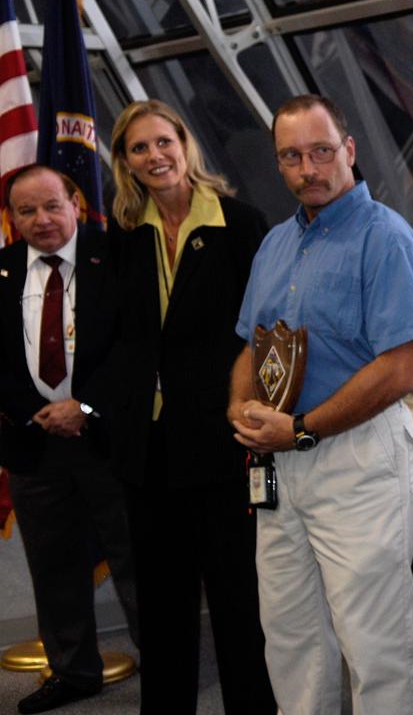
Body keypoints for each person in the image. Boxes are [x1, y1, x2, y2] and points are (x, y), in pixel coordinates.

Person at [229, 94, 413, 715]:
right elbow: (251, 342)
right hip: (279, 460)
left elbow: (404, 365)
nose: (308, 168)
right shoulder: (274, 244)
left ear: (349, 151)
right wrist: (239, 406)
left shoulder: (387, 239)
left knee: (374, 643)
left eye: (321, 151)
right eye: (291, 156)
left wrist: (299, 428)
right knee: (292, 636)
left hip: (355, 455)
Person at [108, 100, 275, 715]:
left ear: (186, 144)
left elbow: (264, 333)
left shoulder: (241, 223)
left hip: (225, 444)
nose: (155, 157)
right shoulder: (124, 236)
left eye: (163, 142)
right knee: (162, 605)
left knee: (238, 602)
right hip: (149, 453)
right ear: (125, 163)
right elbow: (113, 337)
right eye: (139, 149)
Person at [0, 165, 139, 714]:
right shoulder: (3, 269)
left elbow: (135, 344)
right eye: (26, 211)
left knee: (137, 558)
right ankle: (73, 672)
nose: (42, 220)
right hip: (34, 444)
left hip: (107, 436)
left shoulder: (117, 256)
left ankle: (171, 661)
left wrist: (83, 406)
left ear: (75, 203)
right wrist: (39, 411)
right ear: (11, 218)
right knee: (54, 565)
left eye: (51, 206)